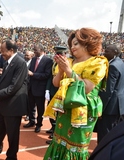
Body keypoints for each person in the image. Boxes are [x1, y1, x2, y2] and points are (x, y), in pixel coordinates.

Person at [43, 28, 109, 160]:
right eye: (71, 44)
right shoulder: (70, 61)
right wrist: (61, 70)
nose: (72, 47)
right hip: (65, 108)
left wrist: (68, 71)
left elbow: (86, 88)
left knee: (76, 147)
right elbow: (56, 83)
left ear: (87, 44)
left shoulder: (97, 62)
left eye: (76, 44)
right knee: (59, 141)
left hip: (83, 112)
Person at [95, 43, 124, 143]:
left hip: (110, 107)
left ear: (115, 52)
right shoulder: (120, 63)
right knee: (113, 132)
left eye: (107, 51)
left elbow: (108, 91)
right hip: (118, 106)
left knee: (105, 134)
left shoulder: (113, 66)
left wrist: (101, 109)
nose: (104, 52)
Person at [23, 44, 53, 133]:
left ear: (42, 50)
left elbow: (47, 75)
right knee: (31, 106)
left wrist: (33, 74)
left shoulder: (48, 61)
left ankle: (39, 124)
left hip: (40, 89)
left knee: (40, 108)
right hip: (31, 87)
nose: (34, 52)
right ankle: (32, 121)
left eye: (36, 50)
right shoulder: (33, 59)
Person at [45, 46, 66, 145]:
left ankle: (55, 134)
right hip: (53, 91)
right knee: (51, 111)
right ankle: (53, 128)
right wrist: (48, 90)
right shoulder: (54, 64)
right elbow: (51, 77)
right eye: (56, 54)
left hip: (61, 92)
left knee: (58, 114)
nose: (57, 57)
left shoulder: (66, 64)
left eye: (60, 55)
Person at [23, 50, 34, 121]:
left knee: (30, 101)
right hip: (24, 84)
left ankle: (29, 115)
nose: (26, 56)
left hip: (30, 85)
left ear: (31, 56)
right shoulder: (24, 63)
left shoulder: (33, 63)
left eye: (27, 55)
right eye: (25, 55)